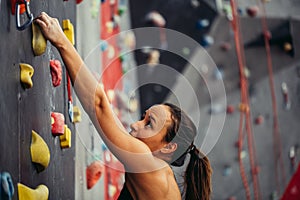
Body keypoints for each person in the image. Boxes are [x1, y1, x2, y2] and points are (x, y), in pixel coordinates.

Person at [34, 12, 212, 200]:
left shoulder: (147, 163)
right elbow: (107, 114)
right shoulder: (163, 176)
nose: (135, 125)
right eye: (143, 117)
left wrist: (61, 41)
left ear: (168, 147)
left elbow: (99, 105)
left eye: (149, 124)